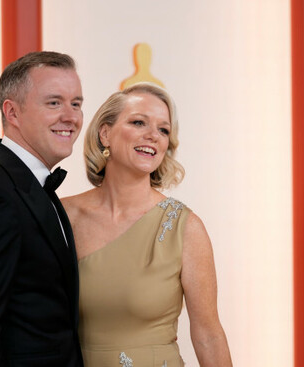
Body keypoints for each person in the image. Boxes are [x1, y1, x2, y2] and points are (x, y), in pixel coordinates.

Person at [62, 82, 233, 366]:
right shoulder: (62, 215)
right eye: (138, 122)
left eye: (163, 130)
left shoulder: (185, 227)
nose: (153, 135)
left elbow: (208, 335)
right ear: (105, 134)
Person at [0, 51, 84, 367]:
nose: (71, 116)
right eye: (54, 102)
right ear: (12, 112)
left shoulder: (26, 183)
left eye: (76, 103)